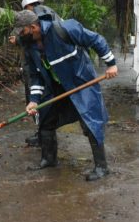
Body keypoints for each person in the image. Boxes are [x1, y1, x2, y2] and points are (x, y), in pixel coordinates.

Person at [13, 10, 118, 181]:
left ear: (33, 27)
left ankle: (101, 167)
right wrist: (33, 101)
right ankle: (49, 159)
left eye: (22, 31)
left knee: (91, 123)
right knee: (45, 119)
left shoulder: (64, 28)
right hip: (57, 87)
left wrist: (111, 64)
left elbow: (95, 39)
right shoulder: (29, 46)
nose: (20, 36)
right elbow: (36, 75)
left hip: (81, 82)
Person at [9, 0, 61, 147]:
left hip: (37, 64)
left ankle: (42, 135)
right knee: (42, 98)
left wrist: (17, 40)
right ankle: (44, 134)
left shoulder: (35, 19)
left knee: (36, 97)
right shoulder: (49, 14)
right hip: (47, 65)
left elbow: (28, 39)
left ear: (28, 7)